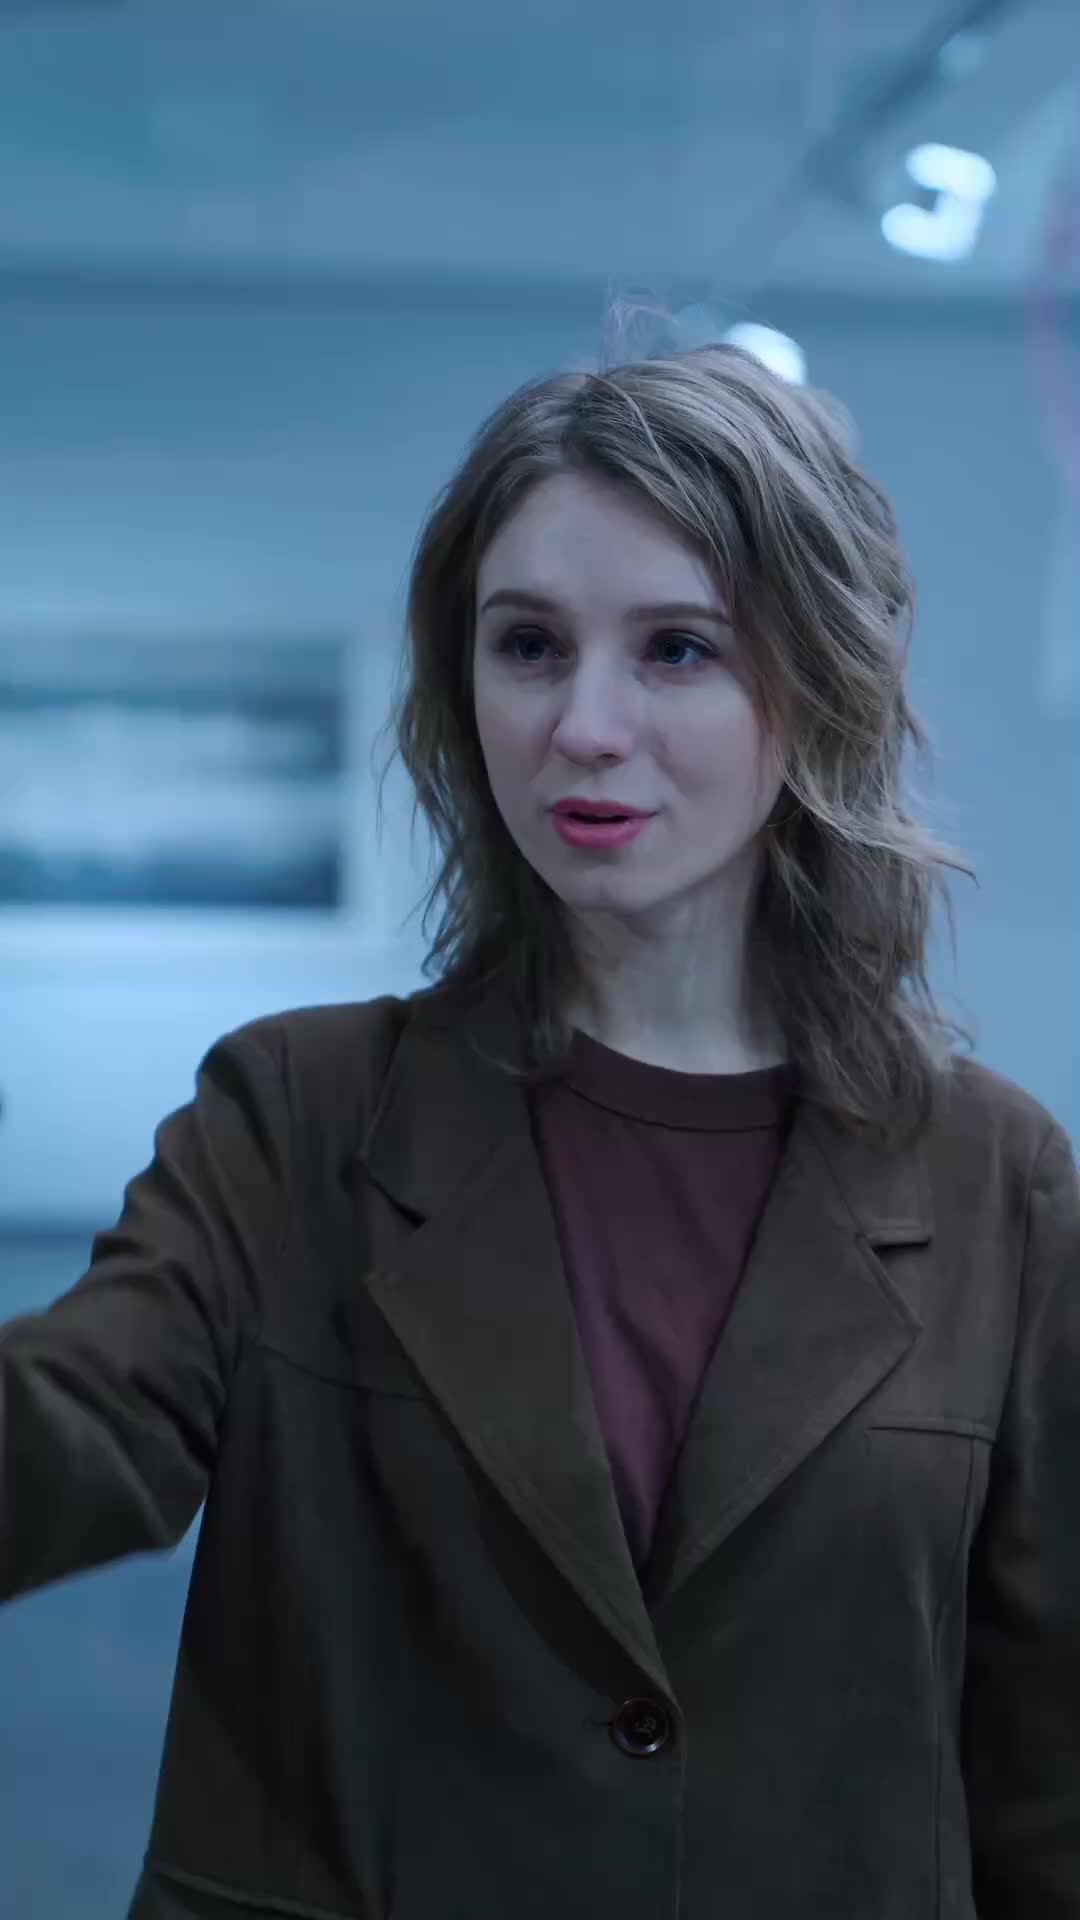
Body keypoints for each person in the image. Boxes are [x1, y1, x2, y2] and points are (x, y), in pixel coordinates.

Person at [2, 327, 1078, 1920]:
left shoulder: (993, 1178)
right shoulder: (297, 1117)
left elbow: (1049, 1776)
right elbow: (69, 1430)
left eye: (677, 650)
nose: (584, 724)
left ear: (817, 690)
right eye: (529, 645)